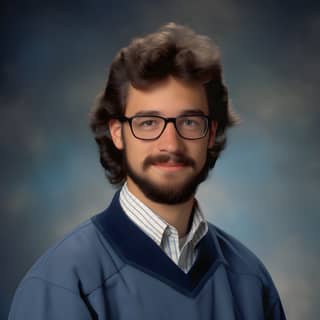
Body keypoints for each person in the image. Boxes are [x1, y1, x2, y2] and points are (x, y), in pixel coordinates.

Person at [9, 23, 286, 319]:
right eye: (148, 123)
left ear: (210, 133)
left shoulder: (250, 280)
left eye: (189, 122)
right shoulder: (63, 283)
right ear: (117, 133)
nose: (171, 144)